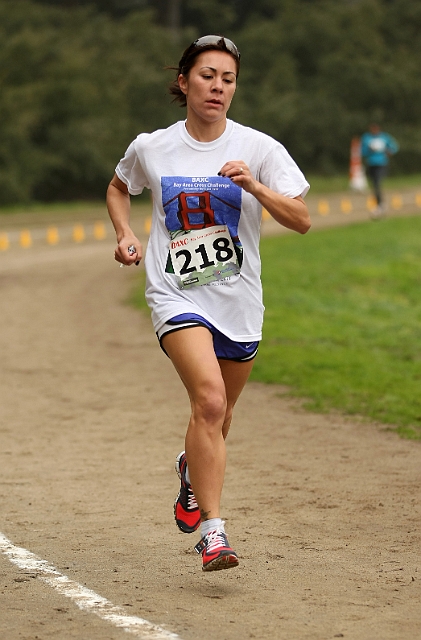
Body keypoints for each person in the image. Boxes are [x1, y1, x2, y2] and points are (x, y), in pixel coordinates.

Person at [106, 35, 311, 572]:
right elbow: (118, 186)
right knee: (211, 402)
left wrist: (256, 187)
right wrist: (126, 232)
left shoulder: (261, 148)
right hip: (176, 294)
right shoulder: (153, 146)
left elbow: (302, 219)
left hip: (239, 301)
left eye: (228, 79)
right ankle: (214, 535)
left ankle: (190, 471)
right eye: (207, 76)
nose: (218, 87)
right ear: (183, 81)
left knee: (218, 422)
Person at [361, 123, 399, 218]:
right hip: (371, 164)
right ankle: (380, 204)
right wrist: (370, 149)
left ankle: (380, 205)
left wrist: (389, 151)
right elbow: (362, 151)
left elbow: (394, 147)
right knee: (374, 185)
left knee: (377, 184)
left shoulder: (384, 137)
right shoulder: (366, 138)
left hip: (382, 163)